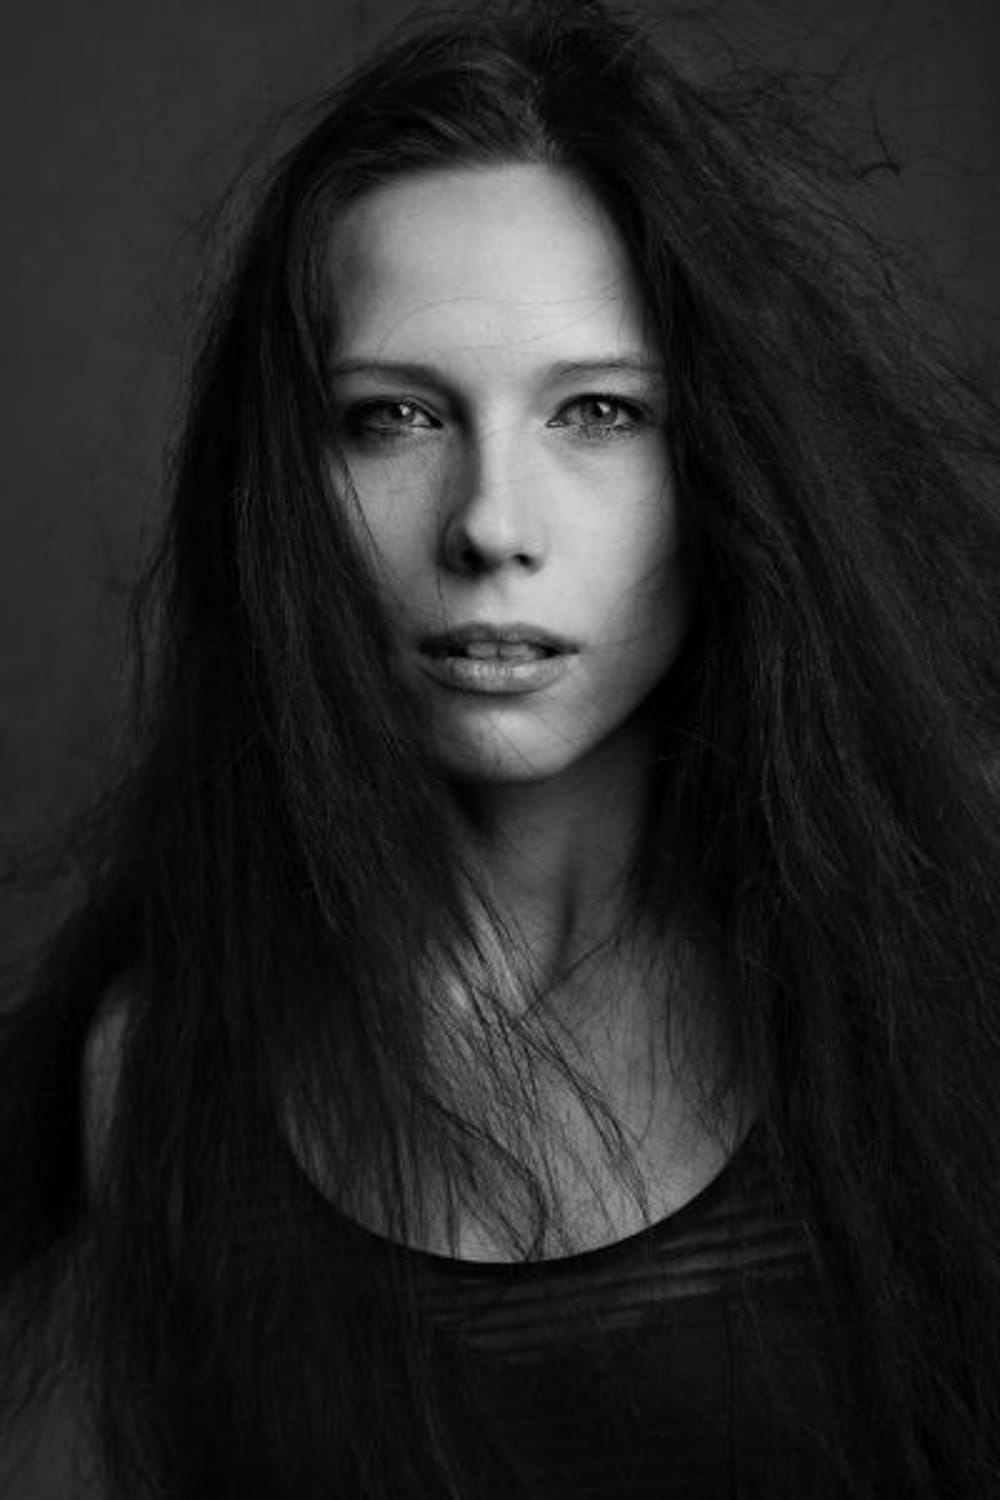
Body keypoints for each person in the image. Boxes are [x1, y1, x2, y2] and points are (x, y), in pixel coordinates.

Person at [2, 0, 1000, 1495]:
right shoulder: (156, 1078)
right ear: (284, 486)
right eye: (393, 418)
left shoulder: (955, 971)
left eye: (599, 411)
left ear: (728, 459)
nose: (489, 525)